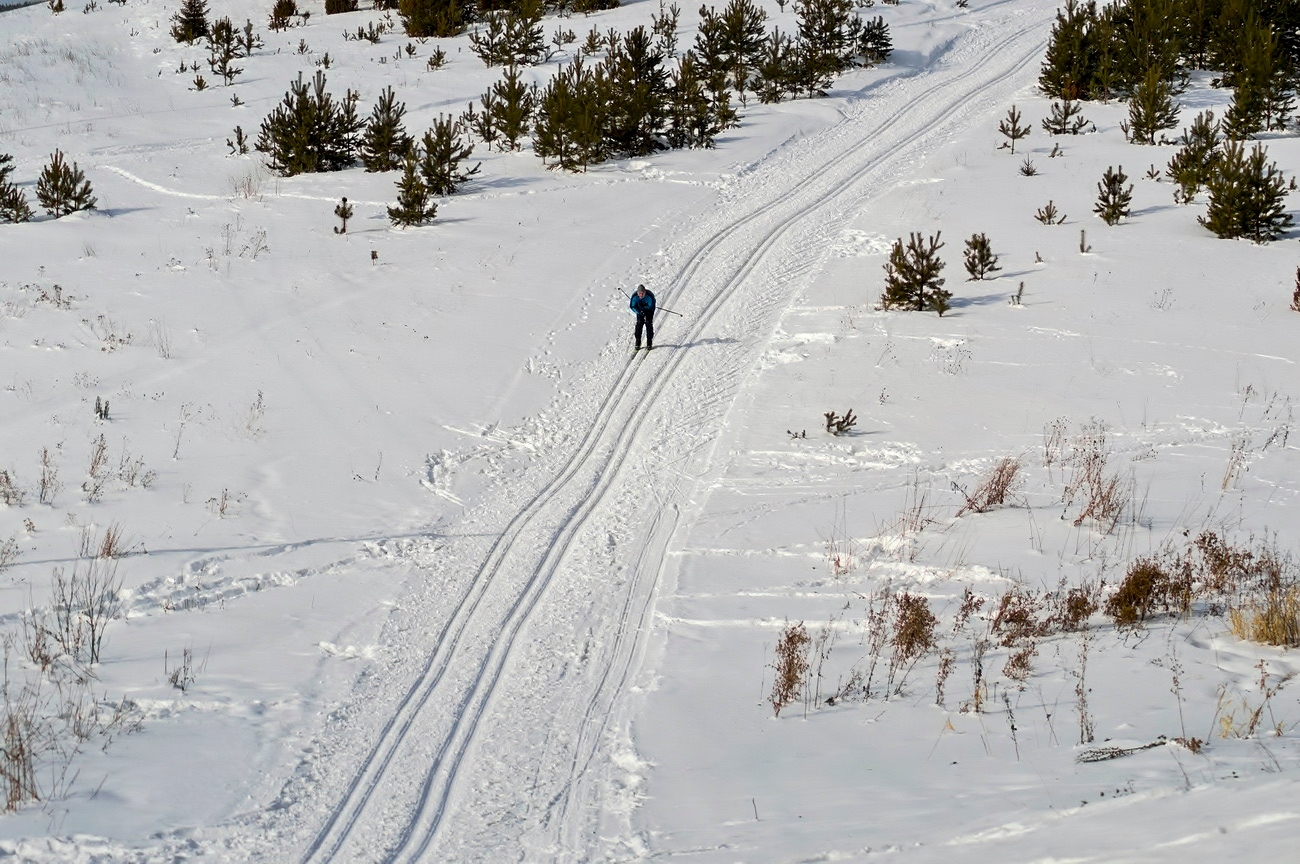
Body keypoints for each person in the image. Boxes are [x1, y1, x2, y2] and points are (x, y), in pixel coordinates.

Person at [629, 283, 656, 350]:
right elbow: (632, 306)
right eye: (639, 293)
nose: (641, 295)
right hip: (640, 310)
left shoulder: (649, 296)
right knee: (639, 322)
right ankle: (638, 340)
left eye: (642, 293)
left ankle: (649, 341)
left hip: (649, 310)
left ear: (645, 292)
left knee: (648, 322)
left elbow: (651, 306)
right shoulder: (635, 297)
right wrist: (639, 311)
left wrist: (645, 309)